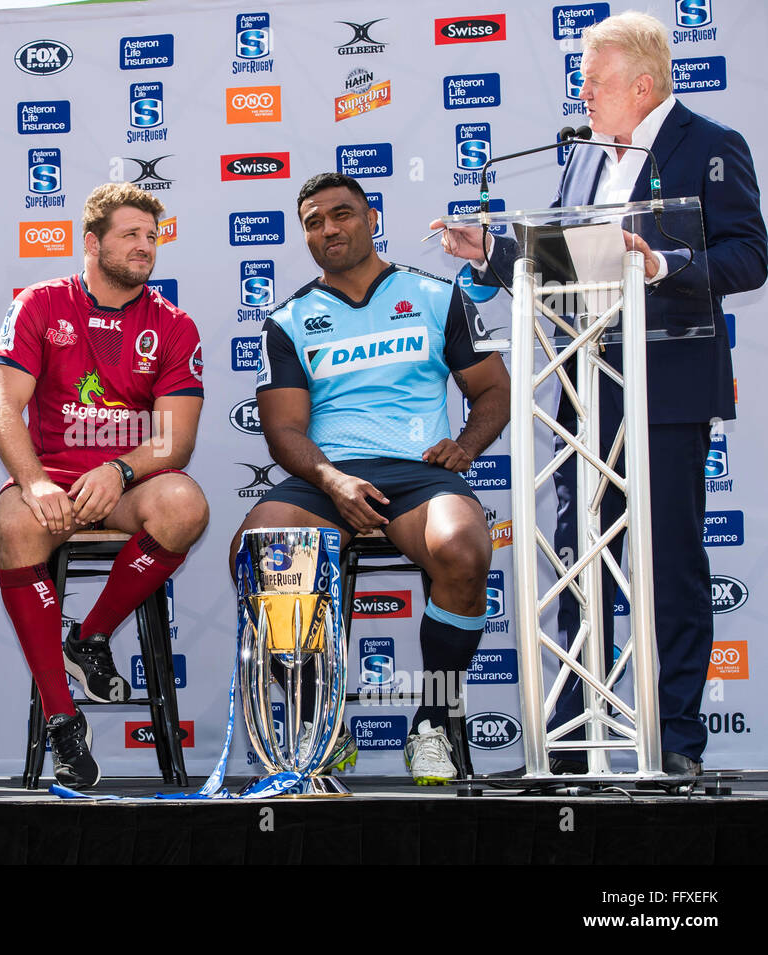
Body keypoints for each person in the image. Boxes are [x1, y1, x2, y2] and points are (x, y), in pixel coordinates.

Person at [433, 11, 767, 775]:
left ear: (641, 86)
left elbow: (750, 255)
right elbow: (567, 255)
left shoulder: (711, 145)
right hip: (582, 387)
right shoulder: (583, 160)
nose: (581, 93)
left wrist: (661, 263)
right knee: (576, 561)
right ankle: (572, 741)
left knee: (668, 563)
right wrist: (491, 252)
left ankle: (673, 739)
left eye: (593, 81)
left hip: (669, 382)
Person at [231, 172, 511, 784]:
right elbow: (284, 432)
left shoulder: (438, 296)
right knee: (260, 553)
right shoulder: (290, 318)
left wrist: (464, 445)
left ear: (370, 218)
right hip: (328, 476)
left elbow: (493, 391)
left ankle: (434, 723)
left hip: (417, 475)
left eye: (342, 214)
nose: (329, 229)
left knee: (463, 550)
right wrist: (333, 481)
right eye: (314, 222)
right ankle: (320, 723)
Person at [0, 182, 209, 789]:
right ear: (91, 242)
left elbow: (175, 440)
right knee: (11, 523)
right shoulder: (39, 304)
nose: (145, 247)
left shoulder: (172, 324)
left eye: (151, 236)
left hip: (131, 481)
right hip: (54, 477)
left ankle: (89, 636)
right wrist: (33, 484)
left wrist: (119, 471)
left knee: (186, 506)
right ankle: (62, 719)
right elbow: (1, 407)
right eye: (130, 235)